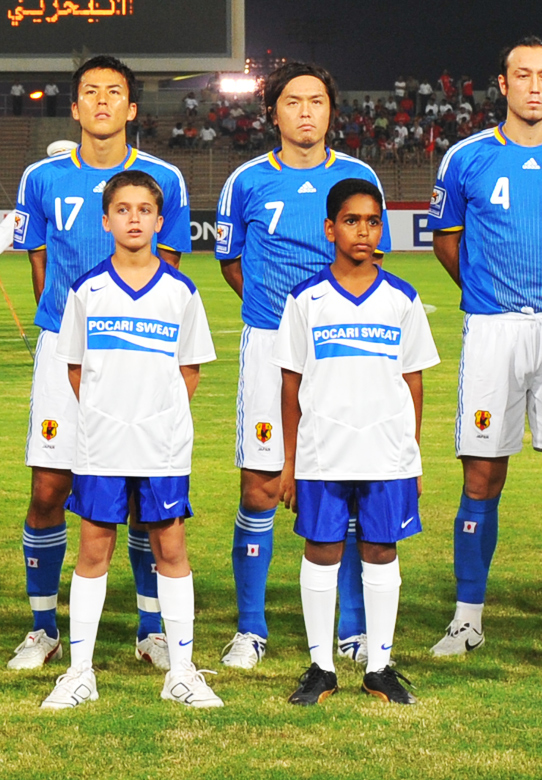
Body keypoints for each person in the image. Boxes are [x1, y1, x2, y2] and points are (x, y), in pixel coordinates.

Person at [426, 36, 542, 656]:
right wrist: (485, 293)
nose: (535, 87)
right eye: (523, 76)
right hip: (493, 331)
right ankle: (467, 618)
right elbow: (447, 242)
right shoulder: (467, 157)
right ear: (503, 85)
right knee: (482, 474)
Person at [10, 55, 191, 672]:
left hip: (137, 352)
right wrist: (69, 330)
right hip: (63, 349)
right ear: (75, 107)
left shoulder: (164, 176)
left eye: (115, 92)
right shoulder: (41, 177)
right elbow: (39, 265)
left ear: (132, 107)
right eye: (91, 91)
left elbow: (169, 273)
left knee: (143, 488)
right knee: (48, 487)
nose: (103, 101)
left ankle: (150, 630)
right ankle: (43, 628)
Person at [216, 62, 391, 669]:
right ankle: (251, 628)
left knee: (347, 481)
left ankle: (352, 628)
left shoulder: (358, 176)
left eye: (317, 101)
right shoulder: (246, 181)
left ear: (331, 111)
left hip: (344, 346)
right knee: (262, 485)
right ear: (274, 113)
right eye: (293, 101)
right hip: (269, 344)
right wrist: (285, 318)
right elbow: (231, 262)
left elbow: (371, 259)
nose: (306, 111)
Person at [41, 170, 219, 709]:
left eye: (144, 210)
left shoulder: (180, 291)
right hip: (101, 443)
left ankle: (182, 673)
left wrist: (157, 416)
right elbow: (75, 367)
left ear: (160, 221)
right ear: (106, 221)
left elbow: (189, 370)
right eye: (123, 209)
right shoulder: (87, 291)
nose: (134, 219)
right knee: (94, 548)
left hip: (162, 444)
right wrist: (108, 415)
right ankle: (79, 673)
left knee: (171, 547)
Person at [275, 179, 439, 706]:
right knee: (321, 549)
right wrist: (289, 463)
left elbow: (413, 380)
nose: (363, 231)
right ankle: (321, 667)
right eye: (351, 221)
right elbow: (291, 385)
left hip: (387, 452)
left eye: (372, 221)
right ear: (330, 228)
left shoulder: (401, 298)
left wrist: (411, 455)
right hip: (322, 451)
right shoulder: (307, 299)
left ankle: (380, 666)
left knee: (381, 549)